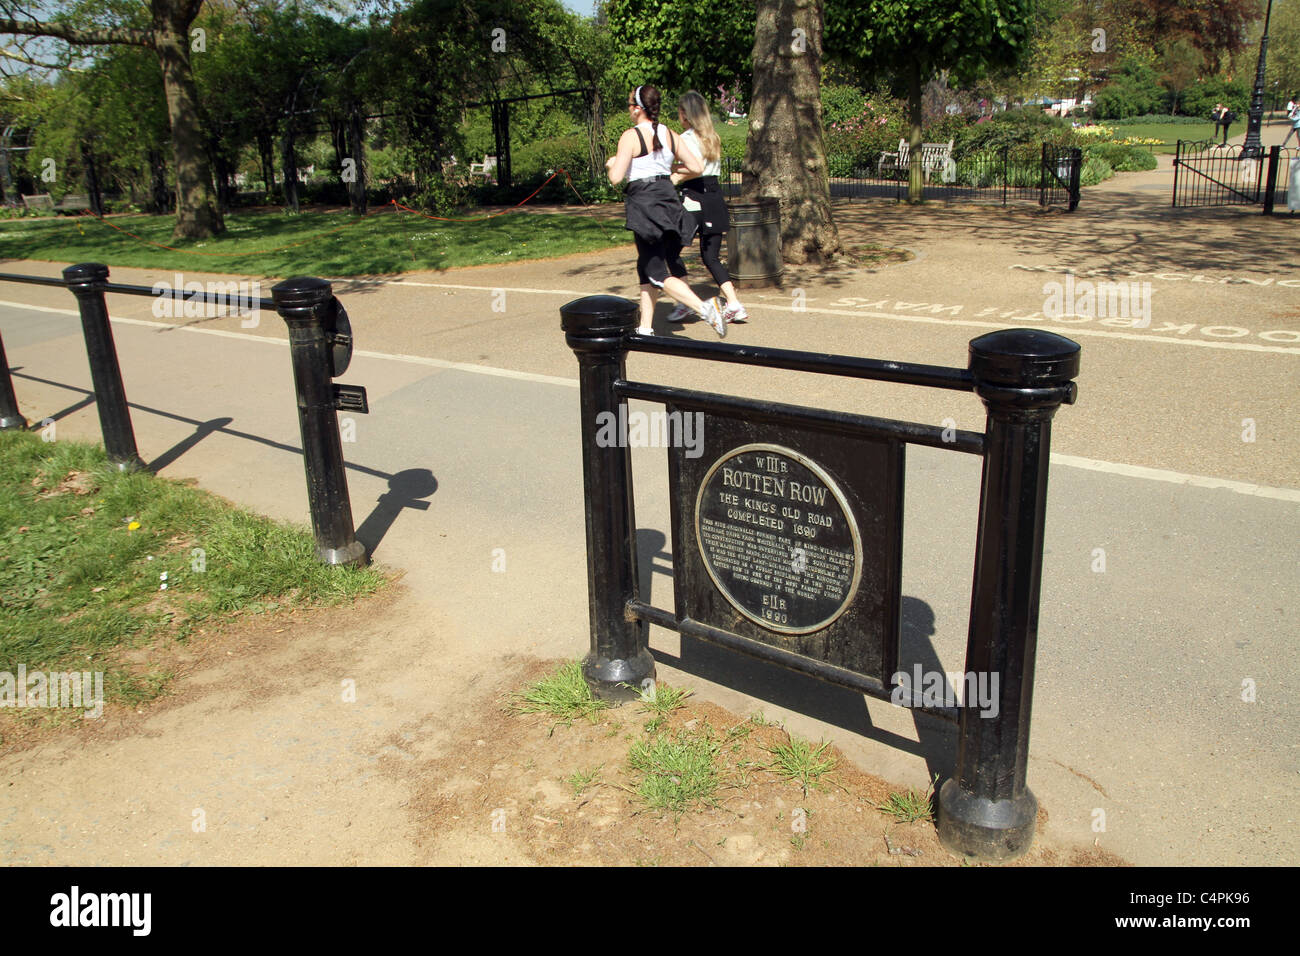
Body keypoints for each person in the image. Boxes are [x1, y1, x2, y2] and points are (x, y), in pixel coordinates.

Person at [605, 84, 726, 337]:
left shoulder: (631, 136)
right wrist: (668, 174)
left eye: (630, 105)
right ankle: (645, 328)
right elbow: (695, 166)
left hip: (645, 205)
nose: (629, 110)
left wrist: (613, 164)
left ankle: (705, 309)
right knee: (646, 266)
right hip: (669, 201)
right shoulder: (670, 134)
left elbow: (616, 178)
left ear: (638, 109)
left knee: (657, 273)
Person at [667, 90, 749, 326]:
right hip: (714, 197)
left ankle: (685, 304)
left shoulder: (686, 138)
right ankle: (733, 304)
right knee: (710, 256)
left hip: (694, 199)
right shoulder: (712, 137)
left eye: (680, 111)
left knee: (670, 252)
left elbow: (694, 169)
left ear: (686, 114)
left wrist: (673, 176)